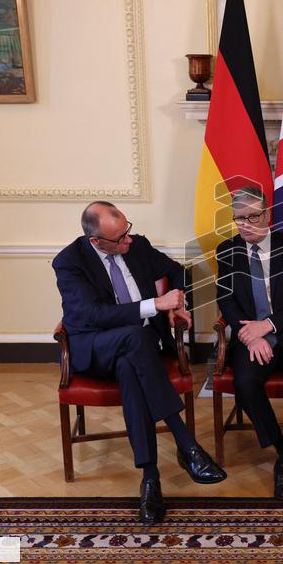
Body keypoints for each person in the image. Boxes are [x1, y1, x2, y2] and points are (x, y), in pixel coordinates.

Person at [53, 201, 225, 524]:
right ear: (96, 241)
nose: (128, 240)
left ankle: (150, 480)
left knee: (131, 364)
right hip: (96, 347)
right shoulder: (69, 262)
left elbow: (177, 271)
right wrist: (155, 304)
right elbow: (94, 315)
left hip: (137, 351)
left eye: (127, 230)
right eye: (120, 238)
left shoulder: (137, 245)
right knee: (135, 337)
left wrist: (177, 303)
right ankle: (186, 444)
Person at [215, 186, 283, 499]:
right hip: (251, 335)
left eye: (253, 216)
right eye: (239, 218)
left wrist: (269, 325)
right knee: (245, 382)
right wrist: (249, 336)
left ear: (267, 215)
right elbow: (226, 300)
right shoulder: (227, 250)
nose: (246, 224)